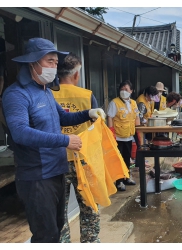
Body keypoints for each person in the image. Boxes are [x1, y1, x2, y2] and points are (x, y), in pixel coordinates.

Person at [1, 37, 105, 243]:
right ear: (33, 63)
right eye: (50, 61)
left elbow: (64, 117)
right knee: (45, 235)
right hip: (37, 176)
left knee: (57, 230)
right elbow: (20, 132)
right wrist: (64, 141)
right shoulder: (16, 94)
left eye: (56, 63)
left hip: (57, 171)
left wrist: (89, 113)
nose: (54, 67)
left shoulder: (45, 91)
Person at [52, 53, 100, 243]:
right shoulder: (87, 96)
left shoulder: (47, 95)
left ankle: (62, 243)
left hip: (57, 160)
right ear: (75, 75)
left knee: (59, 211)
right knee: (89, 207)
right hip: (83, 159)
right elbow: (96, 129)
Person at [107, 80, 141, 191]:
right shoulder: (114, 102)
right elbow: (110, 117)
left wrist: (139, 130)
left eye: (126, 89)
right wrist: (111, 132)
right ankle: (119, 181)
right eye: (122, 89)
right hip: (118, 136)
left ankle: (126, 177)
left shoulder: (133, 103)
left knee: (127, 158)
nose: (123, 91)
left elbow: (136, 117)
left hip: (129, 136)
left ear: (131, 91)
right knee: (118, 159)